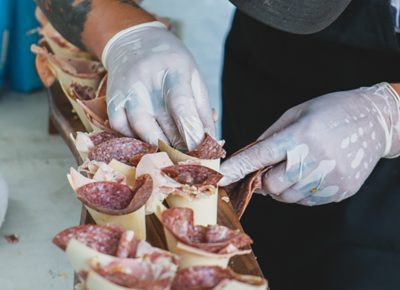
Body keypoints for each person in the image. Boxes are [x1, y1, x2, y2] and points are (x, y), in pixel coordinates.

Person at [35, 0, 400, 289]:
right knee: (253, 248)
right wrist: (123, 32)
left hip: (384, 93)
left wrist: (386, 116)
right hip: (273, 57)